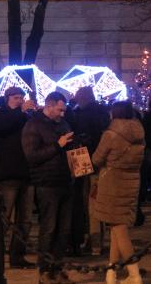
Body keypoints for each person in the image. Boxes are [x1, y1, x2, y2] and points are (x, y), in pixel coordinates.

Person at [23, 90, 76, 283]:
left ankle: (57, 267)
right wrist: (58, 145)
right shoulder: (33, 125)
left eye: (64, 111)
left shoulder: (63, 123)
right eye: (60, 110)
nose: (63, 114)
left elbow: (68, 148)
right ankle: (44, 270)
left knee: (64, 230)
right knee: (49, 228)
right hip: (46, 183)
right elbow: (32, 156)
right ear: (50, 105)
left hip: (65, 181)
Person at [91, 102, 145, 284]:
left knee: (119, 230)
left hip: (112, 183)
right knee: (116, 227)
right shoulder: (139, 134)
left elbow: (96, 159)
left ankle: (134, 273)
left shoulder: (110, 134)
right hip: (132, 182)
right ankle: (111, 273)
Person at [0, 86, 35, 270]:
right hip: (7, 174)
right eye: (16, 97)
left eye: (22, 97)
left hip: (26, 174)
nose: (20, 100)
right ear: (7, 99)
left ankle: (17, 256)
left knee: (25, 219)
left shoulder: (25, 117)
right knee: (3, 217)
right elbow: (0, 128)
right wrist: (20, 112)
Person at [69, 85, 111, 256]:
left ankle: (90, 241)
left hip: (80, 158)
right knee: (96, 201)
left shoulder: (77, 114)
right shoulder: (102, 113)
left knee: (84, 201)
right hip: (99, 162)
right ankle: (98, 242)